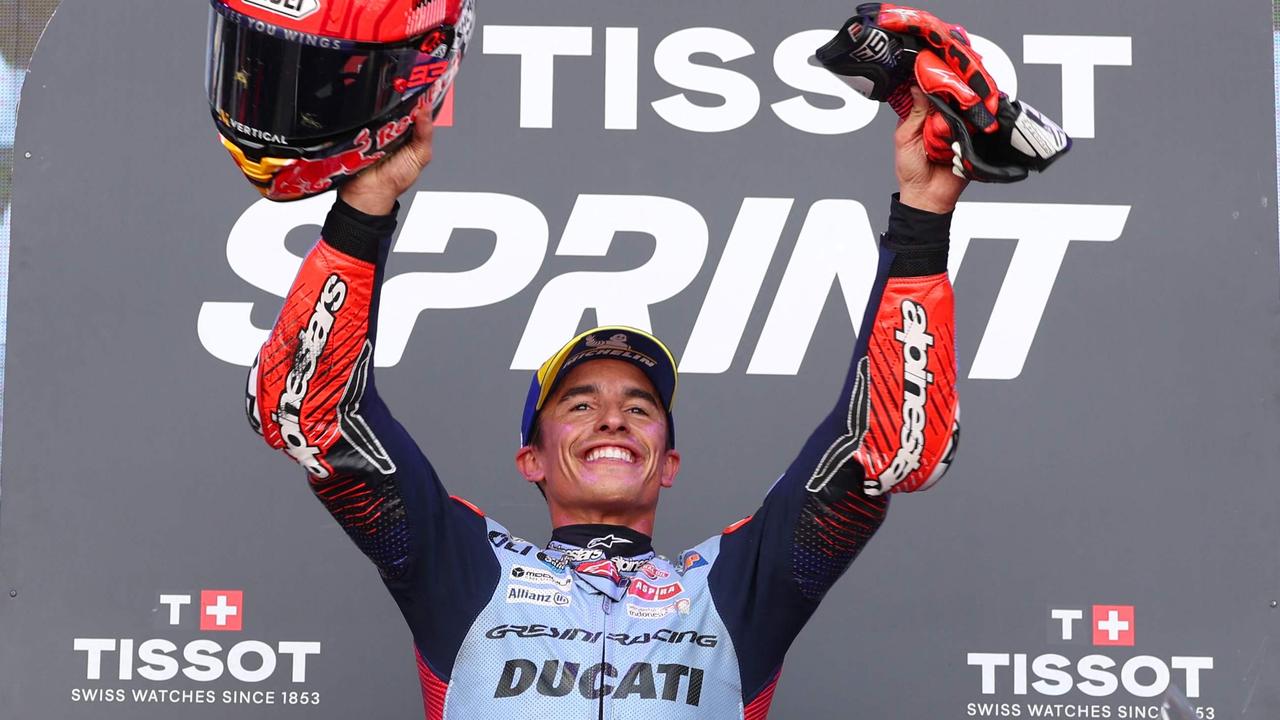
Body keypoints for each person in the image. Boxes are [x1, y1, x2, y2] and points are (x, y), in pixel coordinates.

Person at [245, 81, 962, 718]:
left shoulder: (737, 588)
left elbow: (888, 443)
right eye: (580, 404)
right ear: (532, 457)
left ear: (669, 462)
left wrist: (923, 219)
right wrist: (366, 208)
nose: (613, 415)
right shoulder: (462, 568)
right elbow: (312, 412)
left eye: (641, 406)